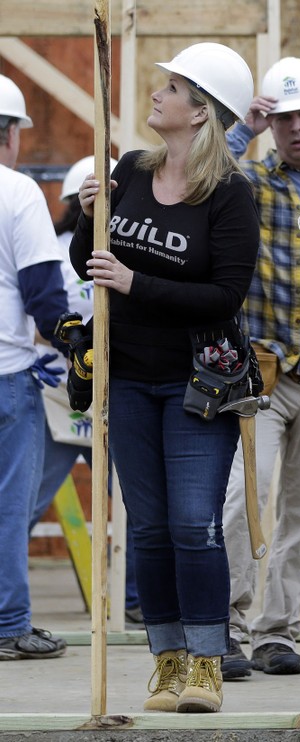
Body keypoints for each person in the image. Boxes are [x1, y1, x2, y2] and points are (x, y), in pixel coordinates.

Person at [69, 42, 259, 713]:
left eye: (172, 88)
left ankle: (208, 663)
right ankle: (168, 661)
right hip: (126, 378)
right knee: (146, 527)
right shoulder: (128, 168)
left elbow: (225, 297)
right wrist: (87, 218)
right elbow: (88, 264)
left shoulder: (232, 194)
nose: (157, 95)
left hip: (196, 385)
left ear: (201, 113)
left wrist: (135, 281)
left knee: (192, 523)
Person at [219, 57, 300, 679]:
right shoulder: (247, 181)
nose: (296, 128)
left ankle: (278, 631)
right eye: (284, 117)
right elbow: (192, 178)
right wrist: (243, 129)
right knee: (246, 497)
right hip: (264, 377)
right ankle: (227, 626)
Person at [26, 155, 143, 629]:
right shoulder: (54, 249)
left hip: (109, 393)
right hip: (58, 390)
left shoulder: (131, 249)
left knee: (136, 502)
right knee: (25, 501)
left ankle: (135, 599)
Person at [0, 73, 70, 661]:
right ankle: (8, 625)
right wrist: (77, 348)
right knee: (7, 507)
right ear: (11, 135)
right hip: (8, 376)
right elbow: (45, 295)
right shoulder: (19, 194)